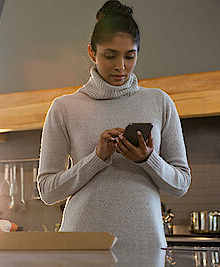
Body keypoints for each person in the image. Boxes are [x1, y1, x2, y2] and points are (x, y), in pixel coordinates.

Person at [37, 0, 191, 249]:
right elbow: (48, 191)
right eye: (110, 56)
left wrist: (147, 159)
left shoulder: (159, 102)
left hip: (146, 245)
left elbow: (181, 184)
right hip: (82, 246)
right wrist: (96, 159)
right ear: (91, 52)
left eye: (130, 56)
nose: (121, 67)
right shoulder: (64, 107)